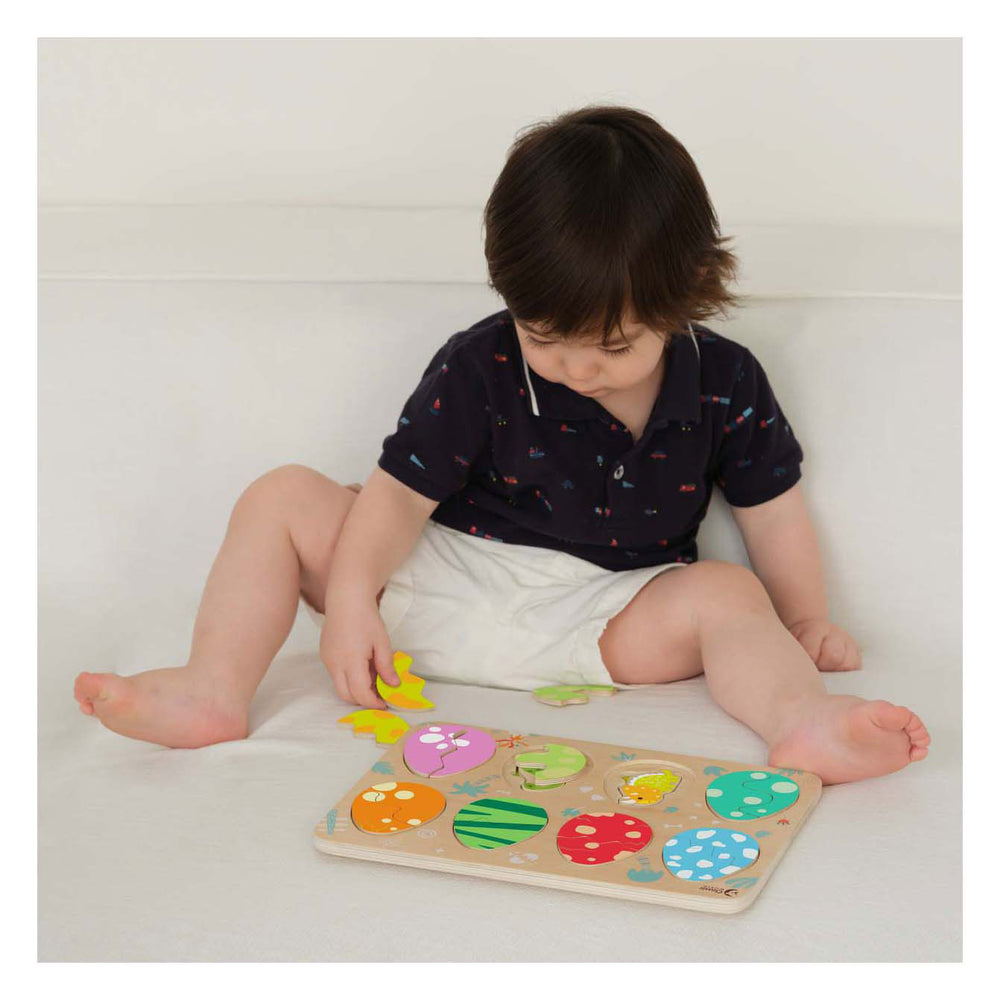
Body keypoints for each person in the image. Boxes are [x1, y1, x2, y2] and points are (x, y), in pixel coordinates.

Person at [73, 105, 929, 784]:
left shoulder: (724, 379)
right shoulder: (479, 363)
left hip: (607, 618)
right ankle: (212, 689)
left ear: (688, 297)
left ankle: (802, 722)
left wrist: (805, 619)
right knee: (282, 495)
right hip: (435, 588)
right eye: (546, 339)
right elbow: (397, 495)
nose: (578, 370)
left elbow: (772, 511)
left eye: (615, 347)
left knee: (729, 593)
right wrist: (357, 598)